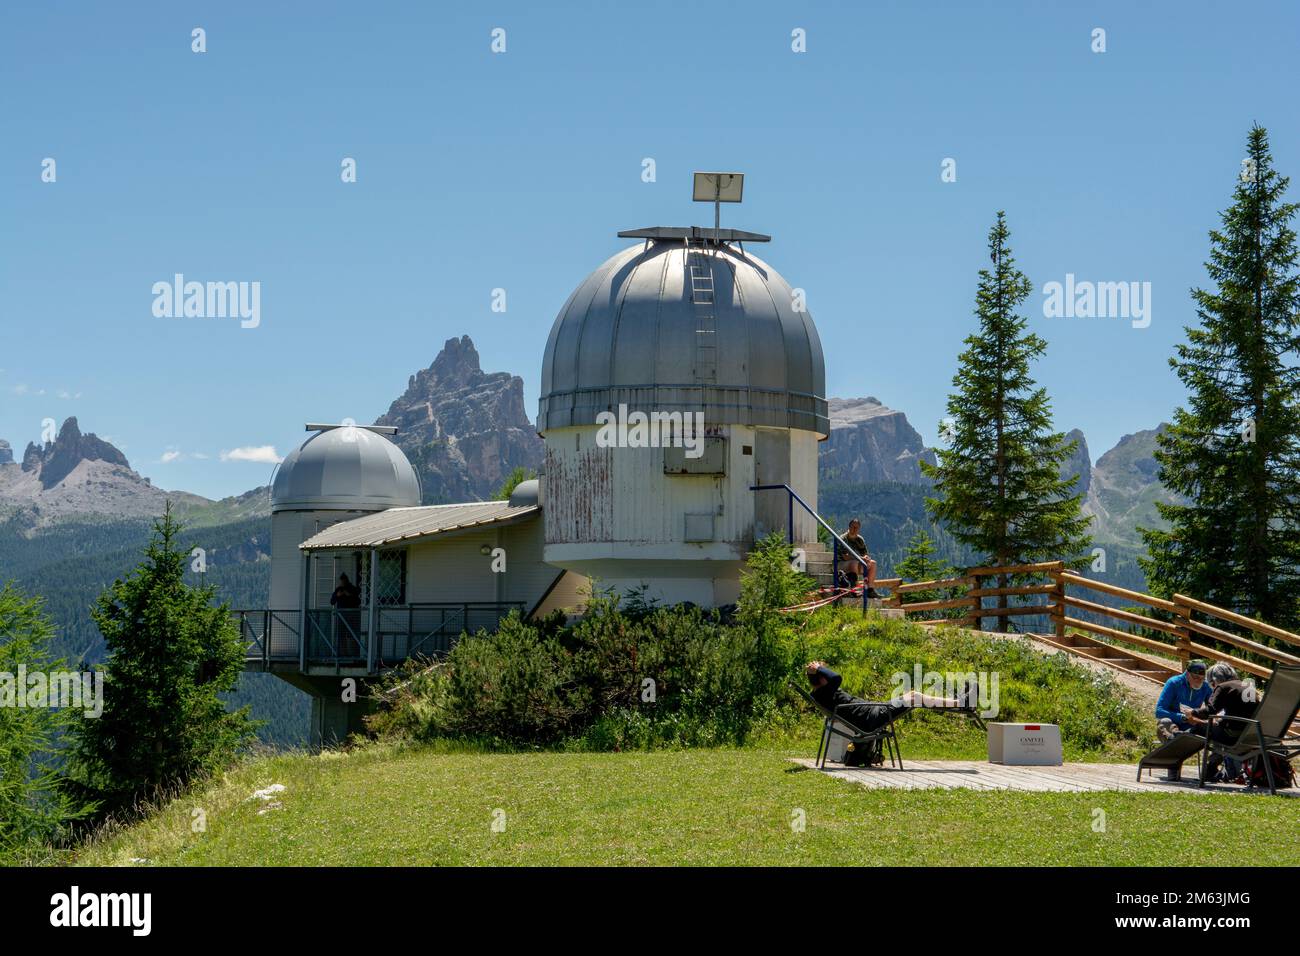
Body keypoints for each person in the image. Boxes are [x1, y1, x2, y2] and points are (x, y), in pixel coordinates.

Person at [805, 660, 975, 735]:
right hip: (871, 717)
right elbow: (836, 678)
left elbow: (833, 678)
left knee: (910, 695)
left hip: (872, 712)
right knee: (914, 696)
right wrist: (819, 668)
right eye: (824, 674)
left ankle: (957, 702)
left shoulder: (820, 694)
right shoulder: (824, 691)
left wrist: (818, 670)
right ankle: (961, 703)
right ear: (822, 679)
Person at [1182, 663, 1253, 783]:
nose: (1212, 687)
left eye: (1211, 684)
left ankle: (1175, 753)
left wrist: (1192, 712)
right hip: (1249, 735)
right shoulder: (1248, 686)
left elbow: (1210, 710)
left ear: (1214, 680)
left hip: (1232, 735)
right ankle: (1210, 770)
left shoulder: (1223, 687)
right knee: (1215, 730)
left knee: (1200, 727)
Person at [1155, 660, 1211, 741]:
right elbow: (1159, 711)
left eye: (1202, 678)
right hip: (1173, 723)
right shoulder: (1174, 683)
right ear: (1187, 674)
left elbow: (1212, 708)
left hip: (1192, 727)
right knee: (1165, 721)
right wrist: (1184, 718)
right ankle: (1173, 740)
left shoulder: (1206, 686)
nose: (1198, 681)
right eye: (1195, 677)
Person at [836, 518, 878, 597]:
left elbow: (865, 553)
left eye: (857, 527)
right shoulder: (843, 539)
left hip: (857, 562)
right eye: (853, 527)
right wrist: (861, 558)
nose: (855, 529)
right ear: (849, 527)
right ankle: (853, 589)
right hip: (840, 564)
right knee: (854, 563)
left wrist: (866, 558)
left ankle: (870, 589)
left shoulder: (860, 539)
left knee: (873, 563)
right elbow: (846, 557)